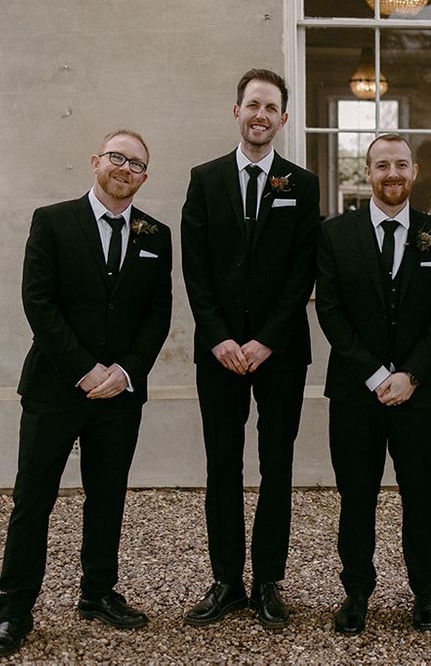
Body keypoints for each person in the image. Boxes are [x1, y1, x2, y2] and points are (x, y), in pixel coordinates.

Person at [0, 130, 172, 658]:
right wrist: (84, 370)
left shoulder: (155, 234)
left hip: (120, 393)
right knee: (34, 497)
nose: (126, 167)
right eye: (117, 157)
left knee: (108, 494)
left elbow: (157, 314)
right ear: (96, 161)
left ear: (144, 177)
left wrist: (124, 372)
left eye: (137, 163)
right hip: (56, 386)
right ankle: (13, 605)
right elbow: (39, 301)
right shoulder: (52, 221)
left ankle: (98, 592)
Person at [181, 69, 320, 629]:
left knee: (276, 464)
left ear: (283, 119)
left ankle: (267, 580)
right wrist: (219, 337)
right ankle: (226, 580)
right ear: (235, 111)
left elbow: (302, 271)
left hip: (280, 352)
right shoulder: (205, 179)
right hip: (218, 353)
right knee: (221, 464)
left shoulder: (301, 183)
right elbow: (195, 268)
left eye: (271, 108)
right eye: (252, 105)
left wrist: (265, 340)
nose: (260, 115)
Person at [315, 134, 431, 635]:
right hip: (356, 392)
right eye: (381, 166)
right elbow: (330, 311)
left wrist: (411, 373)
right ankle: (356, 591)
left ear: (415, 171)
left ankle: (425, 590)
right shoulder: (335, 234)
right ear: (367, 174)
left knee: (421, 490)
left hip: (420, 393)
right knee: (357, 494)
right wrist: (376, 374)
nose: (391, 174)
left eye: (400, 165)